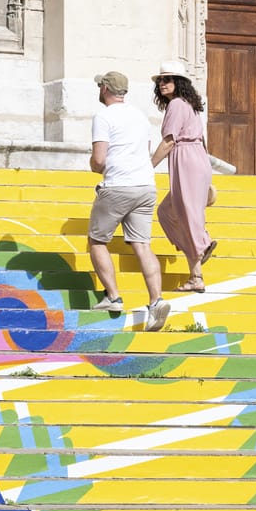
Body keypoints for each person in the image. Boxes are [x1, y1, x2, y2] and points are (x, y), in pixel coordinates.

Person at [86, 70, 168, 331]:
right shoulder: (140, 116)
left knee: (97, 241)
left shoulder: (103, 116)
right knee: (142, 245)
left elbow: (99, 160)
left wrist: (95, 167)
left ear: (105, 89)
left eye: (100, 86)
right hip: (145, 185)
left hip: (118, 185)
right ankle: (156, 301)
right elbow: (144, 152)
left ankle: (113, 296)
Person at [150, 61, 215, 291]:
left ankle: (202, 244)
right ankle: (196, 273)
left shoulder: (177, 104)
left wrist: (148, 166)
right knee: (169, 212)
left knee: (187, 215)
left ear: (178, 82)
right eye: (160, 80)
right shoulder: (188, 105)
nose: (162, 84)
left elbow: (169, 140)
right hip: (196, 158)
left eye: (167, 79)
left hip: (186, 158)